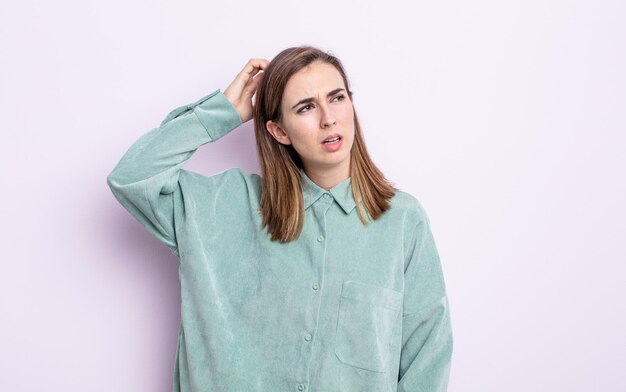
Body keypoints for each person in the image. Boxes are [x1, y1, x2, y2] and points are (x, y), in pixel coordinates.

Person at [107, 45, 453, 392]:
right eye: (305, 107)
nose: (328, 118)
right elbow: (133, 177)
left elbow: (426, 356)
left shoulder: (403, 221)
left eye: (337, 98)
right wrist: (222, 113)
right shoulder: (223, 206)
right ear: (279, 131)